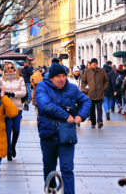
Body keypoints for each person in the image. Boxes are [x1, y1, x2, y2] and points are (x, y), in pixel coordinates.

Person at [35, 62, 91, 194]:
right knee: (49, 168)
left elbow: (86, 101)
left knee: (67, 169)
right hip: (48, 133)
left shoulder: (71, 88)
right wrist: (66, 115)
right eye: (58, 76)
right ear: (51, 78)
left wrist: (81, 116)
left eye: (64, 76)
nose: (61, 79)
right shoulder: (42, 87)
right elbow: (44, 105)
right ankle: (51, 191)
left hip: (67, 134)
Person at [0, 61, 27, 161]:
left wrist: (13, 94)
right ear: (5, 69)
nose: (10, 70)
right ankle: (8, 151)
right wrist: (3, 94)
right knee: (7, 131)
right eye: (8, 68)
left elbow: (23, 92)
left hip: (17, 107)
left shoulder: (20, 79)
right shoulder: (1, 80)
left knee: (16, 129)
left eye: (12, 68)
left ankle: (13, 146)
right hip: (6, 109)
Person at [81, 58, 109, 128]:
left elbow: (106, 80)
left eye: (95, 63)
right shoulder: (87, 71)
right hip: (90, 94)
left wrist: (104, 88)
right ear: (91, 64)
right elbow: (83, 82)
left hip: (100, 93)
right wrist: (85, 89)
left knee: (99, 108)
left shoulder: (102, 71)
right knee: (92, 109)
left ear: (97, 64)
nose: (94, 64)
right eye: (93, 63)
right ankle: (93, 122)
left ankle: (100, 121)